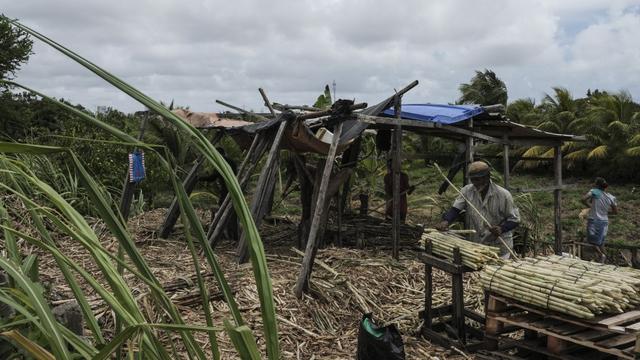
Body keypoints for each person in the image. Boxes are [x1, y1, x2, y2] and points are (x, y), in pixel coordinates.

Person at [436, 161, 520, 258]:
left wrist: (502, 228)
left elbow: (515, 219)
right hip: (477, 246)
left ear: (487, 177)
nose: (475, 183)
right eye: (473, 180)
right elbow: (455, 209)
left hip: (499, 247)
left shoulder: (504, 195)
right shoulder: (467, 191)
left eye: (478, 179)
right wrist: (446, 221)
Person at [581, 177, 617, 262]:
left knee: (592, 241)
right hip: (604, 222)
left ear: (596, 185)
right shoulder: (611, 197)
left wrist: (590, 206)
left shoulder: (594, 191)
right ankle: (607, 259)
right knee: (601, 242)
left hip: (594, 221)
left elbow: (583, 199)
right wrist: (605, 212)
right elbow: (615, 212)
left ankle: (601, 255)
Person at [384, 159, 414, 223]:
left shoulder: (404, 176)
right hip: (392, 204)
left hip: (402, 205)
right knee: (389, 222)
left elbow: (408, 192)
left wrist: (411, 189)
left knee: (401, 223)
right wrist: (394, 195)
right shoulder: (387, 177)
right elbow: (387, 191)